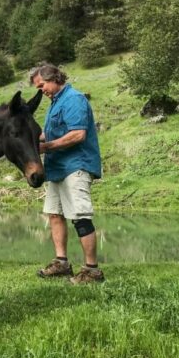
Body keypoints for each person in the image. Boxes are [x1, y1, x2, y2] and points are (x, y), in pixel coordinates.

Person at [30, 63, 104, 284]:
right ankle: (61, 263)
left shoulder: (73, 99)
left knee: (80, 217)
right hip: (57, 168)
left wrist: (47, 146)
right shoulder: (55, 103)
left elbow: (78, 134)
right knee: (55, 214)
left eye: (42, 85)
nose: (41, 90)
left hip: (76, 166)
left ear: (54, 78)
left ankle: (92, 270)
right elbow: (48, 134)